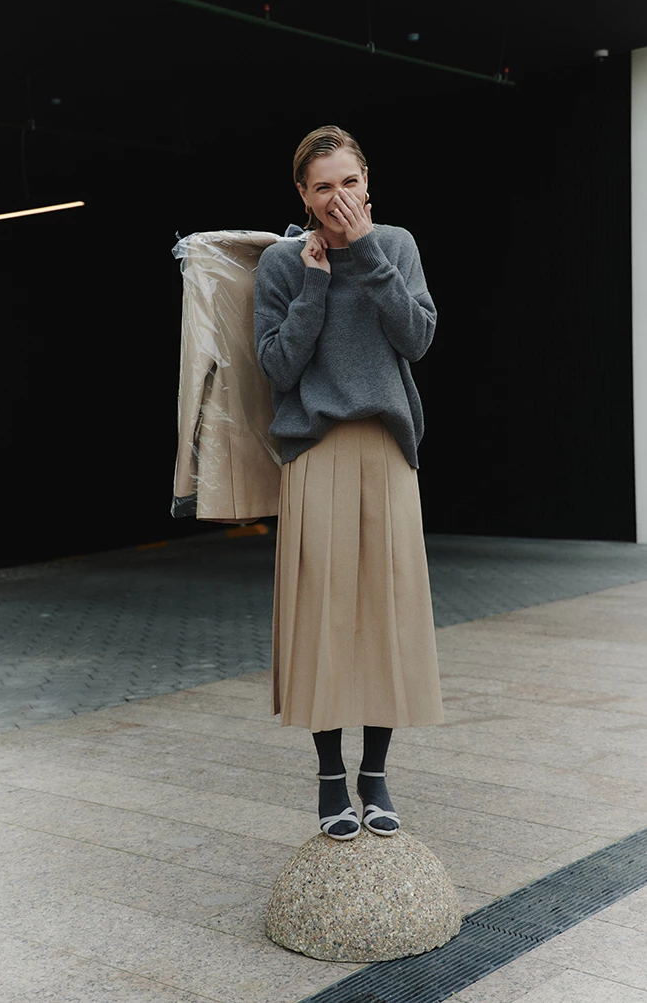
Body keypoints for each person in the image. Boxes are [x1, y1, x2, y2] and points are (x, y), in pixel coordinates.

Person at [253, 125, 444, 841]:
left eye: (349, 181)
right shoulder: (281, 262)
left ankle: (377, 775)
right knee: (323, 620)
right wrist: (314, 282)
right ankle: (331, 777)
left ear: (368, 182)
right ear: (303, 195)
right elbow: (277, 367)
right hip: (316, 452)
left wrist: (363, 254)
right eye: (323, 186)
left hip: (387, 450)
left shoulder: (394, 245)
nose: (339, 197)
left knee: (387, 615)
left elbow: (416, 338)